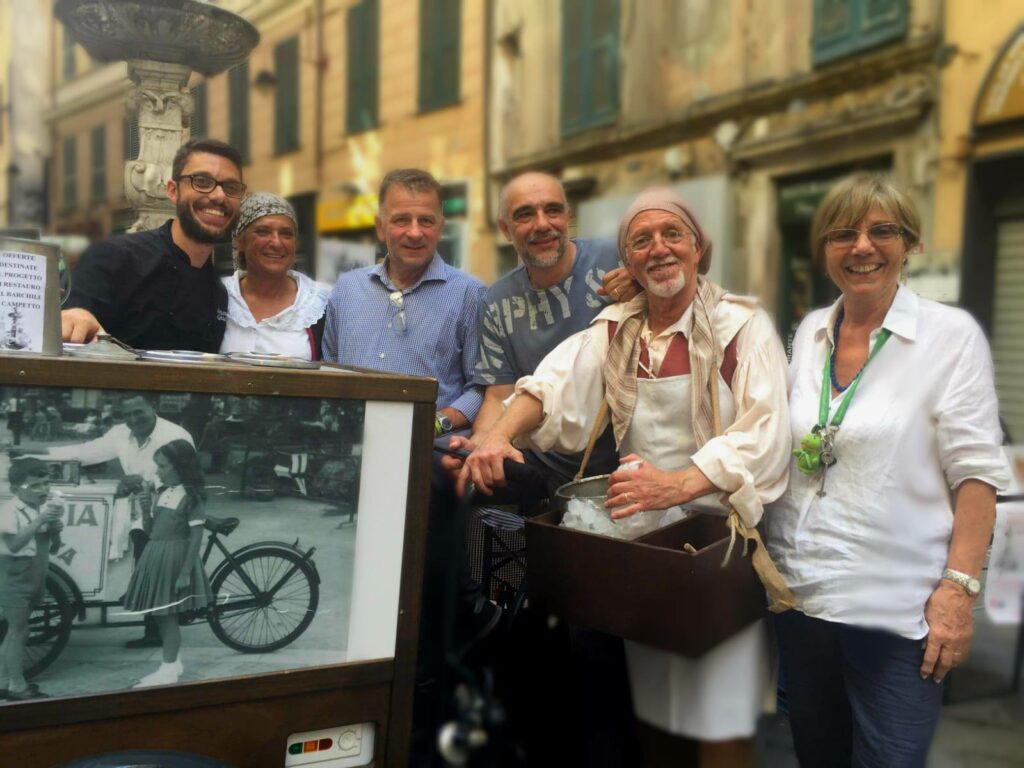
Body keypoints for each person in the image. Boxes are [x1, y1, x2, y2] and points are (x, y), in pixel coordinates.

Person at [460, 187, 791, 767]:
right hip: (645, 549)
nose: (658, 249)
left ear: (698, 249)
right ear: (629, 262)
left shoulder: (742, 326)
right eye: (641, 240)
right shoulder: (618, 329)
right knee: (655, 715)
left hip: (719, 549)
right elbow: (550, 385)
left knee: (717, 722)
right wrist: (495, 436)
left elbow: (765, 434)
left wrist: (680, 483)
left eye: (672, 235)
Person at [766, 173, 1010, 767]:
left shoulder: (949, 337)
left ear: (910, 245)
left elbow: (977, 475)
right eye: (843, 233)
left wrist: (958, 593)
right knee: (816, 755)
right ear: (823, 250)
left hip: (897, 613)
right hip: (800, 599)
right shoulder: (810, 332)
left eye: (882, 232)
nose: (862, 247)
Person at [439, 170, 640, 767]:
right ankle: (520, 731)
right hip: (543, 473)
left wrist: (642, 284)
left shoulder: (614, 257)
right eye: (524, 215)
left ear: (568, 215)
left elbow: (685, 292)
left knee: (601, 633)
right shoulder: (499, 299)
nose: (541, 224)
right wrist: (484, 449)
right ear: (506, 229)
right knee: (512, 604)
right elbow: (499, 392)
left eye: (552, 210)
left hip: (623, 471)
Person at [322, 168, 486, 431]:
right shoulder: (346, 290)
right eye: (401, 220)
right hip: (348, 447)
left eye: (426, 221)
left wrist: (434, 424)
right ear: (380, 227)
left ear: (440, 228)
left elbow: (481, 388)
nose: (415, 232)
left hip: (429, 456)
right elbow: (328, 372)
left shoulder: (470, 294)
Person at [34, 392, 194, 648]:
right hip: (140, 508)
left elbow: (188, 476)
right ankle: (152, 615)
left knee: (152, 566)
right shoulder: (121, 433)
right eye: (127, 414)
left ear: (152, 406)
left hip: (169, 508)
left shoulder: (176, 436)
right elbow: (86, 452)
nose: (133, 419)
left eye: (138, 412)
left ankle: (156, 630)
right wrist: (38, 452)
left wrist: (145, 482)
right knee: (138, 564)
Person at [61, 138, 245, 351]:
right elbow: (75, 316)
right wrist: (77, 315)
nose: (219, 195)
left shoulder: (219, 293)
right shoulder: (114, 257)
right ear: (173, 191)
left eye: (230, 187)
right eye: (202, 181)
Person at [124, 440, 213, 688]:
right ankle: (173, 664)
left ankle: (168, 670)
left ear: (180, 467)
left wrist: (185, 572)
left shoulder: (191, 499)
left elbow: (196, 538)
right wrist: (145, 511)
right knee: (159, 615)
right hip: (156, 554)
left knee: (166, 616)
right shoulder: (163, 493)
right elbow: (152, 531)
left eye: (162, 466)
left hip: (174, 559)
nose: (158, 471)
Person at [219, 193, 330, 360]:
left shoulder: (320, 303)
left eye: (286, 234)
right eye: (263, 232)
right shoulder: (218, 296)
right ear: (240, 241)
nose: (277, 243)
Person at [0, 458, 64, 700]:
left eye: (46, 483)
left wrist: (55, 530)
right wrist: (40, 521)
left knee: (17, 632)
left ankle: (3, 680)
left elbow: (54, 547)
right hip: (13, 578)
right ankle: (18, 686)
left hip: (35, 576)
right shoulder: (9, 512)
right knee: (18, 631)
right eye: (35, 486)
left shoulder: (41, 509)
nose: (44, 490)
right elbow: (14, 545)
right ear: (16, 490)